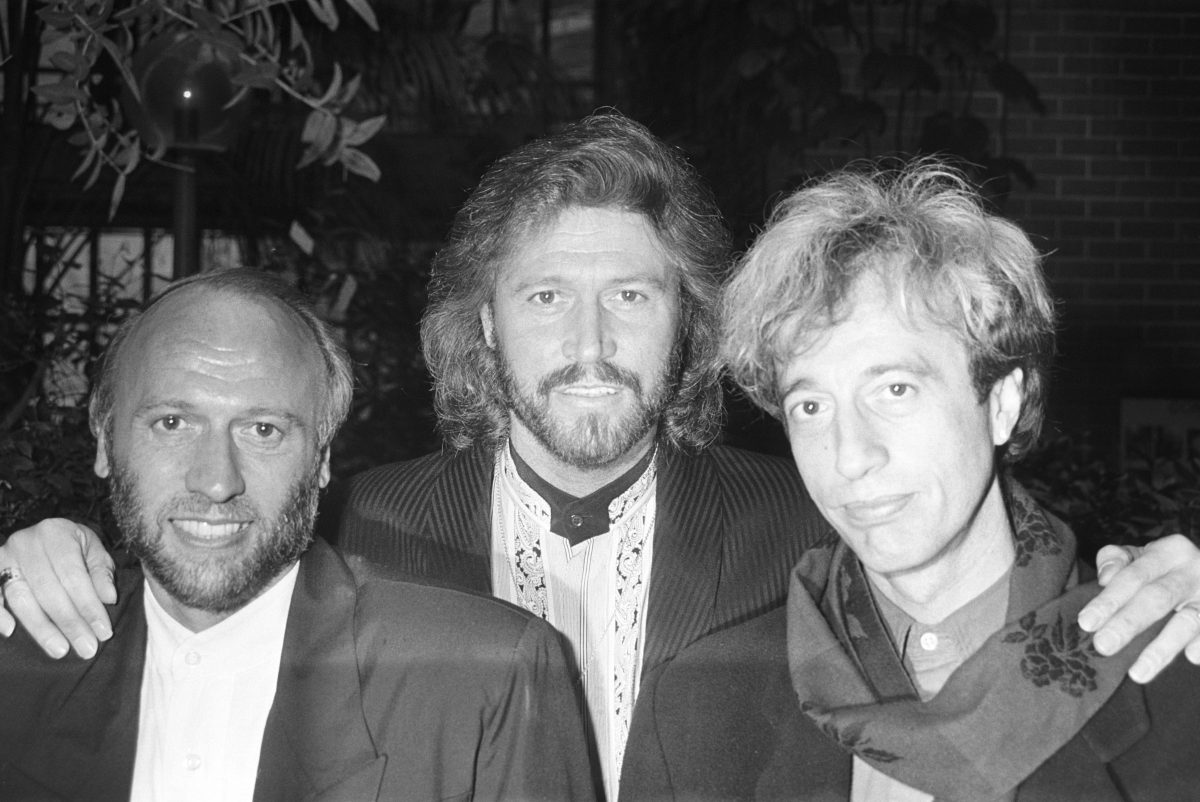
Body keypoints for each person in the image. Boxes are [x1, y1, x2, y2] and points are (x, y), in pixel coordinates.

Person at [4, 114, 1200, 798]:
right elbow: (205, 559)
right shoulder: (353, 527)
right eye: (544, 298)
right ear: (484, 326)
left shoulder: (811, 518)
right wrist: (65, 556)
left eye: (631, 294)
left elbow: (976, 566)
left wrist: (1167, 577)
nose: (587, 344)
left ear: (686, 321)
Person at [621, 159, 1200, 800]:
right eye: (810, 406)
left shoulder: (1179, 680)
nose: (850, 456)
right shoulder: (695, 710)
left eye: (895, 389)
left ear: (1001, 404)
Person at [0, 269, 594, 801]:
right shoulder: (17, 658)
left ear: (322, 459)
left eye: (263, 430)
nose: (216, 482)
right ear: (105, 440)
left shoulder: (485, 675)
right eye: (172, 423)